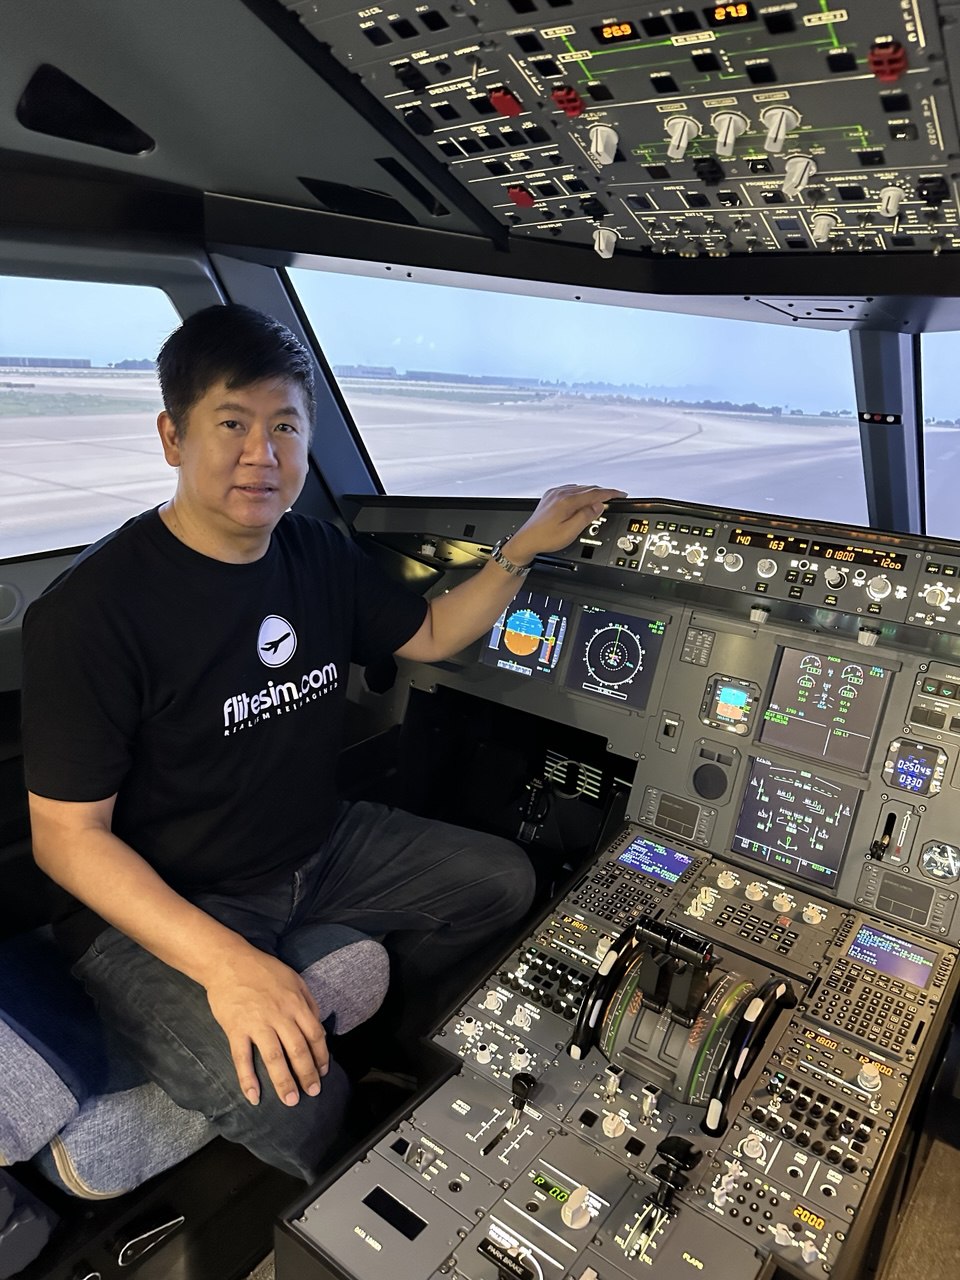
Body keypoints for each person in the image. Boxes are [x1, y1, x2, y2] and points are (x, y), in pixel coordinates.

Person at [21, 303, 625, 1181]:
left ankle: (394, 1051)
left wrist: (521, 550)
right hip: (172, 900)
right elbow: (66, 839)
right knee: (276, 1087)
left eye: (284, 427)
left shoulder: (313, 550)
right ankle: (356, 1165)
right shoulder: (90, 613)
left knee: (503, 884)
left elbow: (425, 632)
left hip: (314, 848)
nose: (261, 455)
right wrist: (229, 966)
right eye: (231, 424)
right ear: (171, 436)